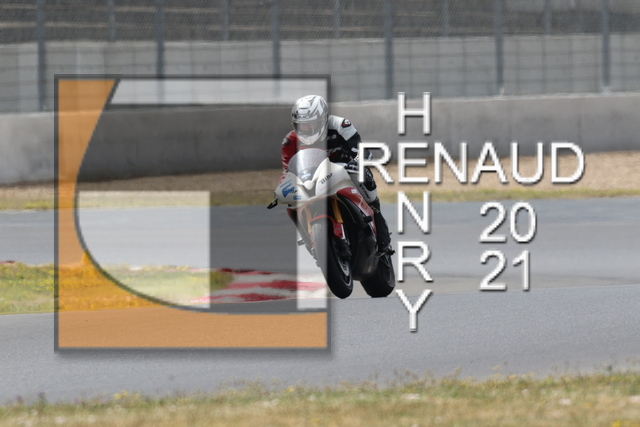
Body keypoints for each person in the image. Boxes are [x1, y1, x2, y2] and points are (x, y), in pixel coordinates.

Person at [279, 94, 393, 255]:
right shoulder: (290, 141)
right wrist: (284, 185)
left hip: (346, 169)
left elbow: (361, 150)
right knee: (290, 201)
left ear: (324, 119)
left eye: (312, 124)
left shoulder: (341, 125)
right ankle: (308, 238)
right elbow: (288, 171)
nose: (308, 129)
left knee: (365, 181)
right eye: (303, 126)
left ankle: (382, 236)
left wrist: (357, 162)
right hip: (313, 177)